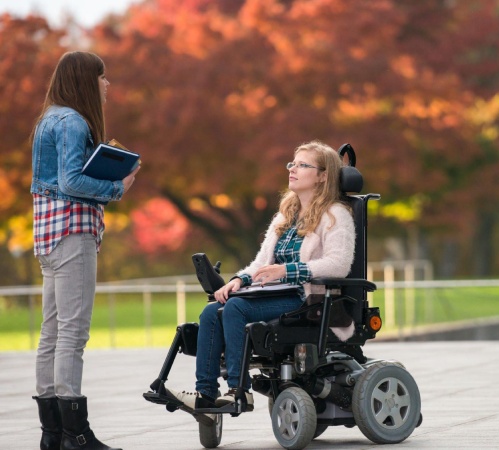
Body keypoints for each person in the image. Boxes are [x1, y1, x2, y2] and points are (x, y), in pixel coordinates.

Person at [166, 140, 355, 416]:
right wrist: (240, 279)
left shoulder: (335, 215)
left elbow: (339, 264)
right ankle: (205, 393)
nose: (292, 169)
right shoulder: (285, 215)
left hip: (307, 299)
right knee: (210, 312)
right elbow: (261, 262)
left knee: (236, 308)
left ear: (323, 176)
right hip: (273, 293)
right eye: (292, 163)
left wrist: (288, 271)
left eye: (303, 165)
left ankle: (238, 391)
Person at [31, 51, 138, 450]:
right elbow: (72, 181)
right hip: (73, 233)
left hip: (47, 235)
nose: (106, 84)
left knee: (52, 333)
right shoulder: (74, 121)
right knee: (73, 333)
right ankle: (76, 434)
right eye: (102, 77)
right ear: (84, 80)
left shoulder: (49, 119)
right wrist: (117, 187)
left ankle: (53, 434)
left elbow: (52, 181)